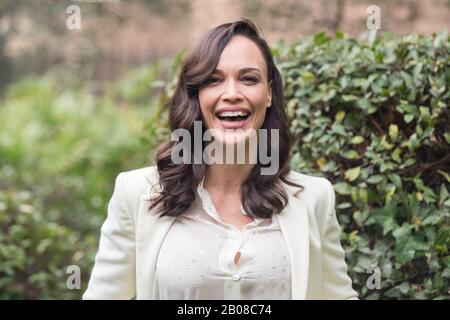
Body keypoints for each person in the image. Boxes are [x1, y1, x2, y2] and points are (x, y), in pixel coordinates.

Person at [83, 19, 358, 300]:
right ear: (197, 95)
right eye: (214, 80)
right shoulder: (136, 193)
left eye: (248, 79)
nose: (232, 94)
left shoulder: (313, 197)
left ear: (269, 93)